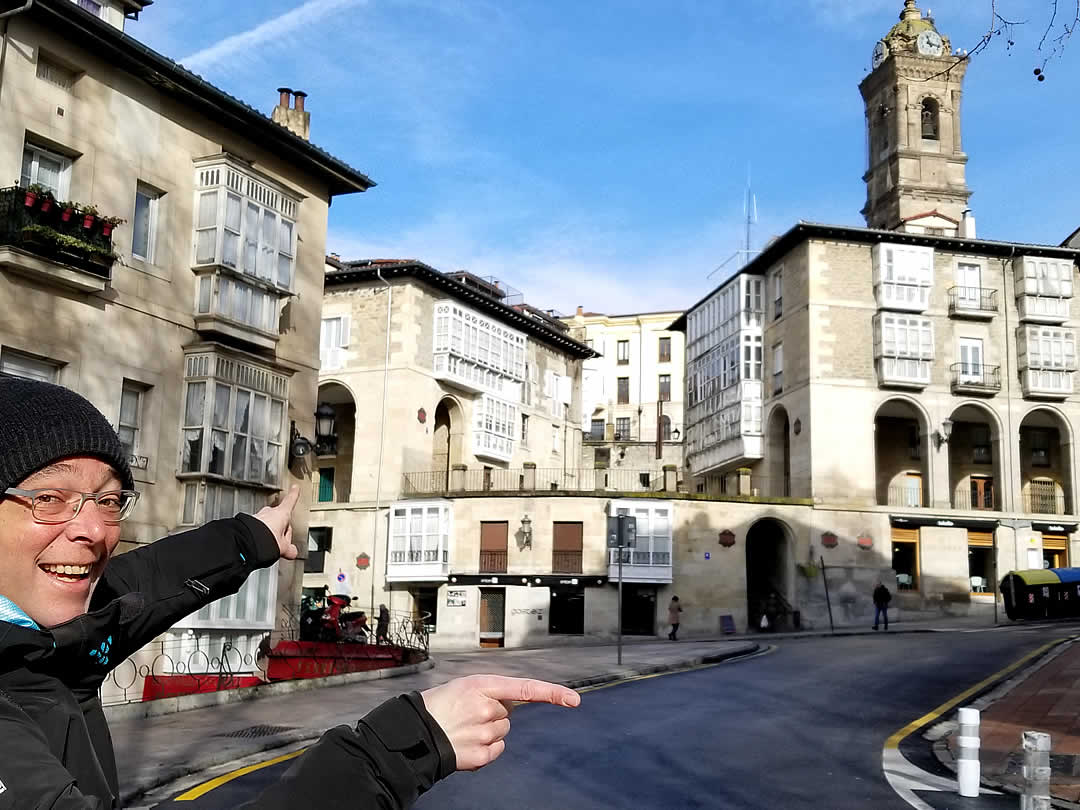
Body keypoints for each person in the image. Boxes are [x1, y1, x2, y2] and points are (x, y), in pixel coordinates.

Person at [0, 378, 580, 808]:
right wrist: (402, 748)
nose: (94, 530)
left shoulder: (42, 638)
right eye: (48, 499)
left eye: (107, 500)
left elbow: (137, 587)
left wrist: (249, 540)